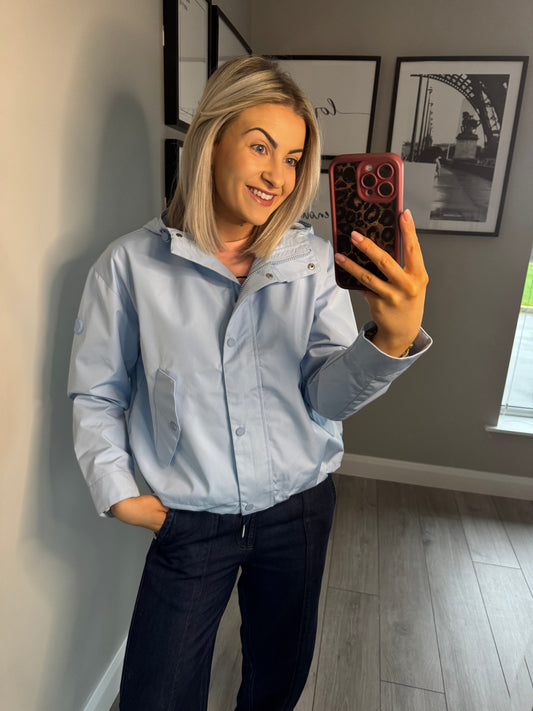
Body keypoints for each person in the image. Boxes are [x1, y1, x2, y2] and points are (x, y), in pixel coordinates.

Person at [68, 56, 430, 711]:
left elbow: (325, 397)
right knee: (155, 696)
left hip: (298, 510)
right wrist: (119, 493)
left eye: (292, 158)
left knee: (276, 682)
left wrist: (388, 341)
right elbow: (97, 393)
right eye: (259, 147)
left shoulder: (313, 262)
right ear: (211, 140)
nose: (276, 175)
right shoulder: (130, 266)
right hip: (189, 520)